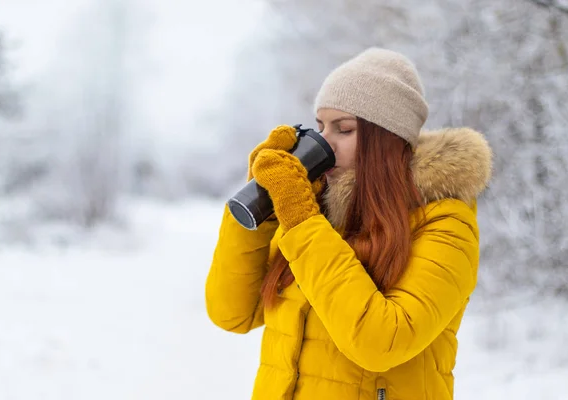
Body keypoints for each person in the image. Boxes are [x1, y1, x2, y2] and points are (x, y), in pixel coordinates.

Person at [205, 47, 492, 400]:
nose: (325, 142)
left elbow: (381, 344)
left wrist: (302, 221)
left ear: (386, 141)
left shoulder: (445, 224)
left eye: (344, 129)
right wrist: (264, 205)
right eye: (321, 126)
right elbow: (230, 313)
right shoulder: (317, 215)